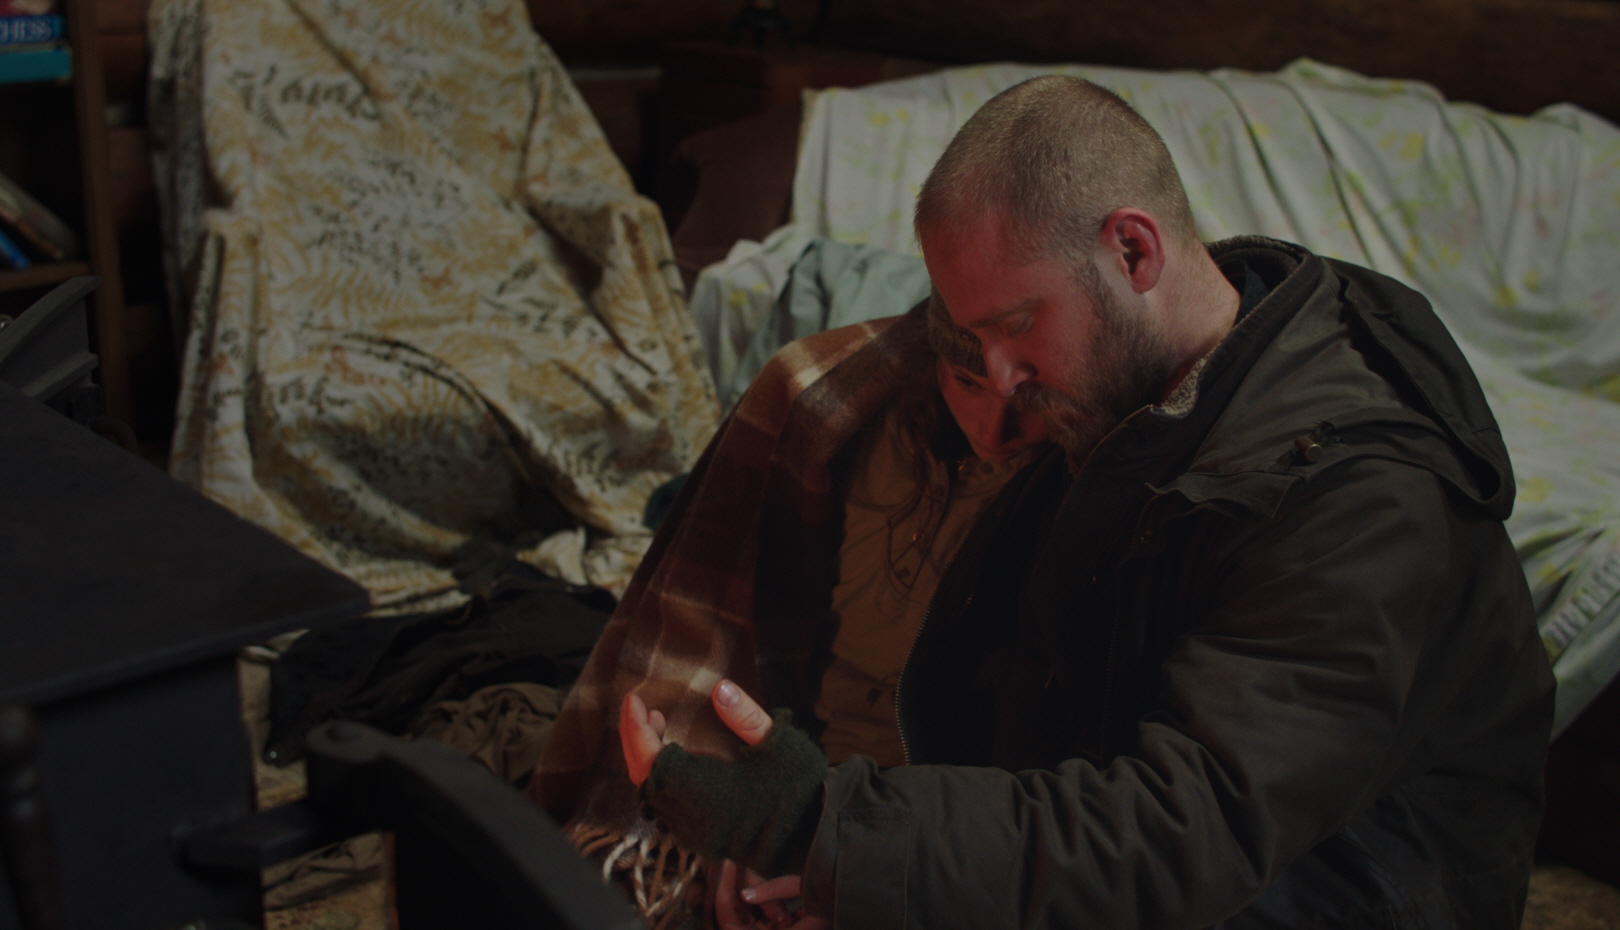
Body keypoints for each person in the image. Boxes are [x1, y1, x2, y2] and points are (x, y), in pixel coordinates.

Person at [602, 75, 1556, 928]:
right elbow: (1026, 733)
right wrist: (857, 876)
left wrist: (825, 829)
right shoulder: (1137, 404)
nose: (1002, 381)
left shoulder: (1362, 500)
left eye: (1018, 325)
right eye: (976, 341)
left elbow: (1187, 830)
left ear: (1135, 251)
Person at [532, 296, 1051, 926]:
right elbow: (711, 624)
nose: (995, 432)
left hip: (934, 839)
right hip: (790, 772)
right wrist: (741, 811)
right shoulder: (829, 402)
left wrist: (834, 850)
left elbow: (1047, 809)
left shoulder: (1094, 471)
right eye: (967, 383)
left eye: (1030, 396)